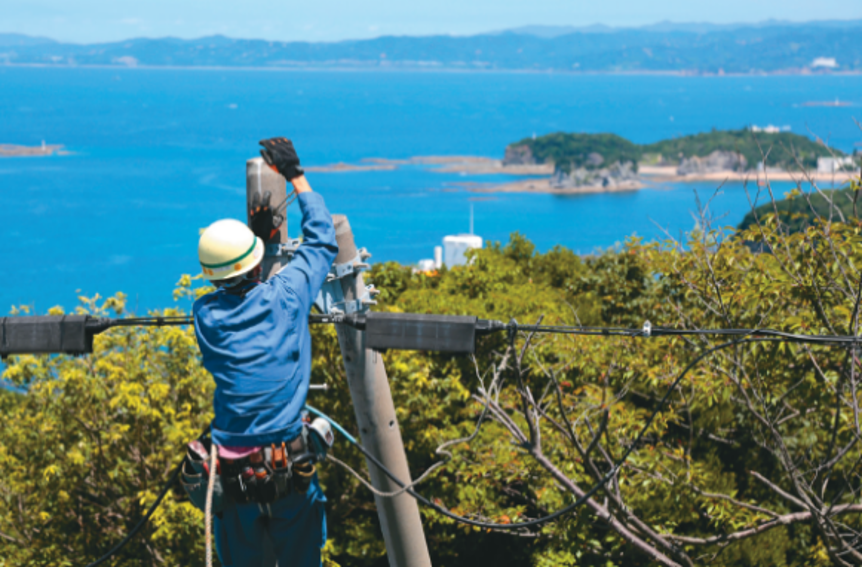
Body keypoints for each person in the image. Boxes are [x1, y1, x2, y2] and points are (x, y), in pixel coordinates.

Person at [193, 138, 338, 567]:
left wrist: (253, 245)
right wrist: (295, 174)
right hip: (289, 472)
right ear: (257, 264)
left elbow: (236, 287)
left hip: (231, 479)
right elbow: (322, 240)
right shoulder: (287, 296)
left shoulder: (205, 316)